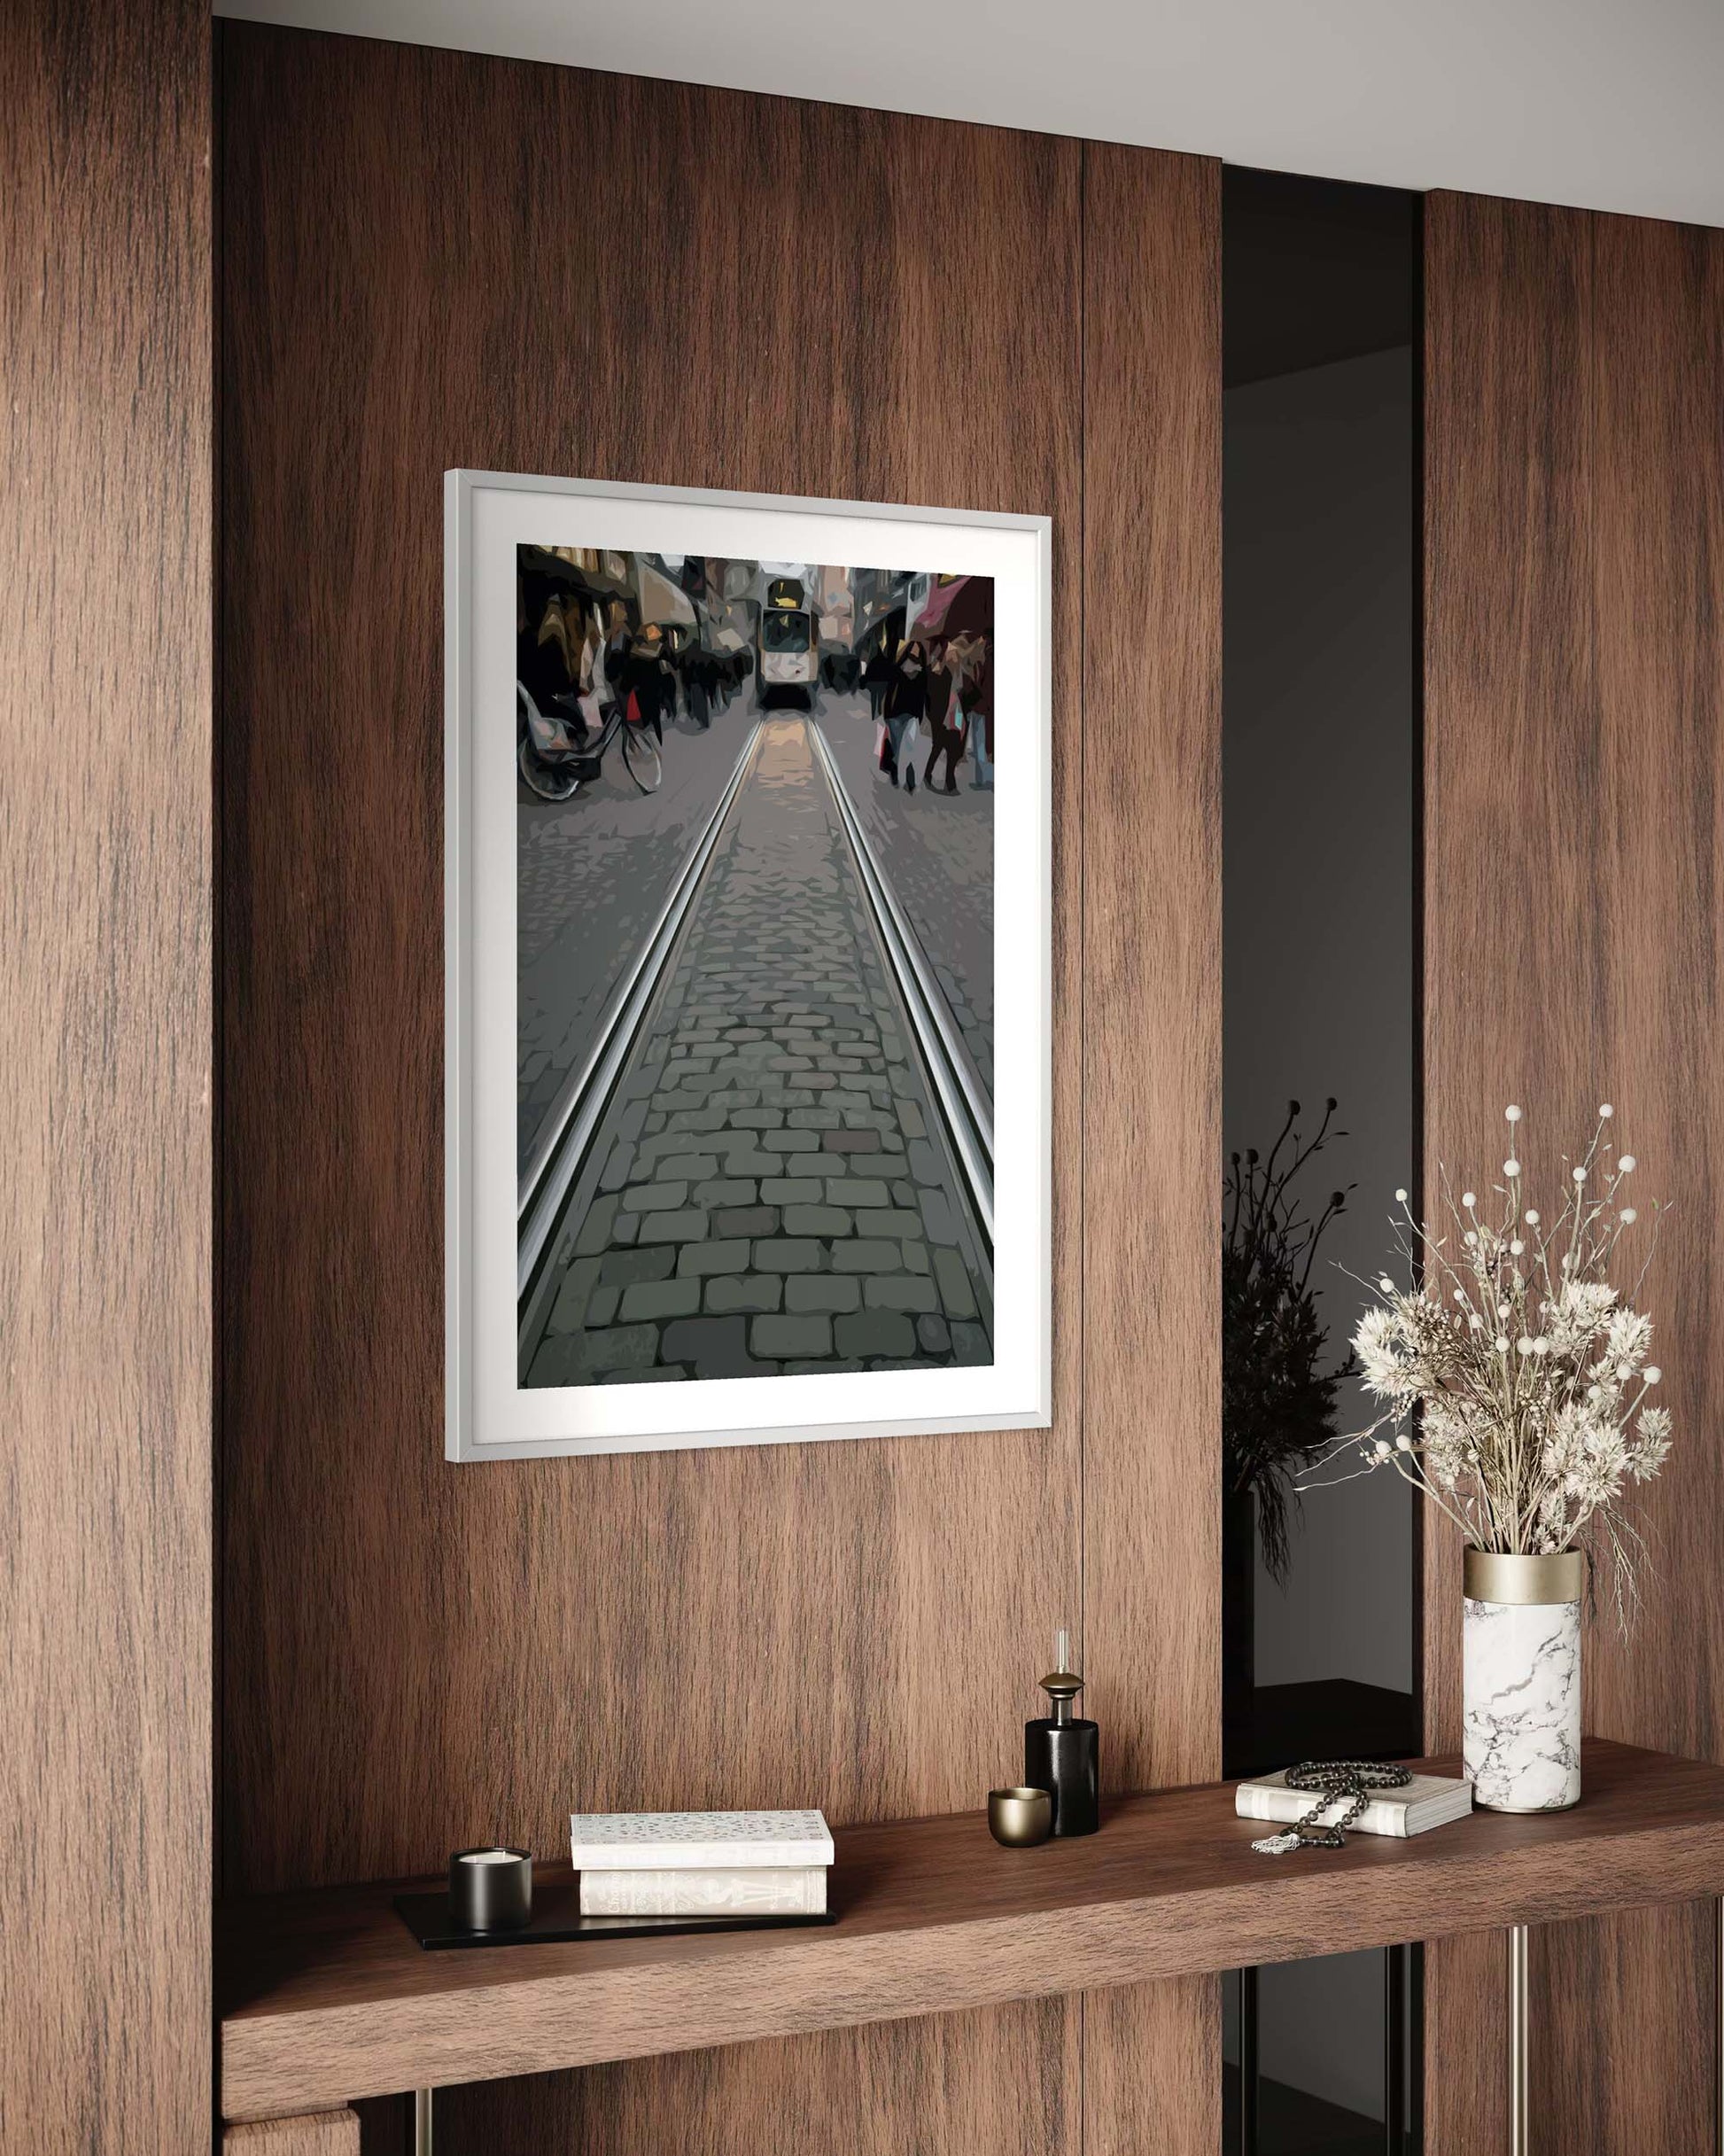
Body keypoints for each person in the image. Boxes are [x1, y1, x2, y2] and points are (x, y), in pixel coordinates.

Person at [881, 638, 928, 791]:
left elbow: (923, 695)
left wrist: (921, 716)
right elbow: (890, 693)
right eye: (912, 651)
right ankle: (895, 772)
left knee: (911, 745)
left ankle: (910, 775)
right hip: (895, 714)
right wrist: (887, 714)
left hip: (912, 714)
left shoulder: (922, 673)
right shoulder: (898, 669)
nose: (914, 655)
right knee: (896, 747)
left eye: (917, 652)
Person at [922, 641, 965, 795]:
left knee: (951, 750)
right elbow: (927, 696)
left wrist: (959, 723)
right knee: (938, 747)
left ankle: (950, 784)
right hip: (939, 718)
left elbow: (959, 694)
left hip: (954, 716)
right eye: (951, 653)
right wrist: (931, 716)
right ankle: (928, 775)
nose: (954, 656)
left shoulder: (953, 671)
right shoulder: (932, 671)